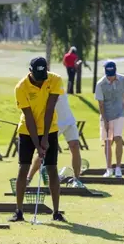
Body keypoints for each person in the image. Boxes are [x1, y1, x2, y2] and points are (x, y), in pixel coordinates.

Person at [10, 56, 65, 222]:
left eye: (43, 77)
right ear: (30, 72)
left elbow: (49, 110)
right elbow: (28, 118)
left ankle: (56, 212)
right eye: (37, 78)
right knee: (23, 168)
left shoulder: (54, 80)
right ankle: (19, 211)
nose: (41, 82)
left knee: (52, 169)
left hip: (50, 129)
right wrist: (37, 144)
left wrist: (45, 139)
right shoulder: (21, 88)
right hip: (27, 130)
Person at [26, 85, 85, 188]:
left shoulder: (55, 81)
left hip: (68, 120)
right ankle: (28, 179)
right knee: (42, 151)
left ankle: (77, 179)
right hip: (53, 124)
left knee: (75, 145)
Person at [94, 60, 124, 178]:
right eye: (109, 75)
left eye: (112, 74)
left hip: (119, 114)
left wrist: (123, 112)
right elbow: (101, 104)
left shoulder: (123, 79)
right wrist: (105, 120)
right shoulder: (100, 84)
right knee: (108, 141)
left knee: (118, 138)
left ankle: (118, 168)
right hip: (106, 115)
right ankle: (109, 169)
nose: (111, 77)